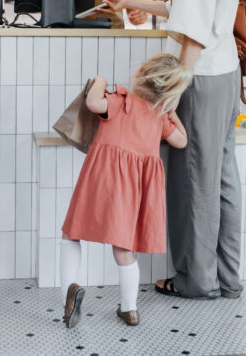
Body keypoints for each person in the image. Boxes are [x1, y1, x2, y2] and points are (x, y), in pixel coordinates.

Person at [103, 0, 242, 300]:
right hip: (225, 76)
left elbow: (194, 29)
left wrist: (175, 84)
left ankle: (194, 281)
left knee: (193, 181)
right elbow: (185, 9)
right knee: (220, 180)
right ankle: (226, 277)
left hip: (200, 79)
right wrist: (130, 0)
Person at [59, 54, 190, 328]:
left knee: (71, 235)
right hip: (133, 192)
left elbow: (93, 102)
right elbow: (181, 140)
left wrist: (100, 80)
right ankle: (130, 309)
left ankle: (69, 294)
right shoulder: (159, 117)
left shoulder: (121, 101)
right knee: (123, 249)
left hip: (102, 181)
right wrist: (169, 109)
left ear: (141, 73)